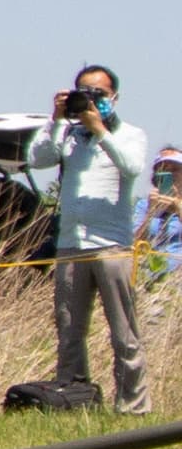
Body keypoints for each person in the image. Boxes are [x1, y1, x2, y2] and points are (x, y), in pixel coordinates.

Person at [29, 64, 150, 413]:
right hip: (71, 244)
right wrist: (55, 119)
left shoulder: (130, 134)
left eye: (98, 93)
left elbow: (131, 167)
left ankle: (132, 406)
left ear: (114, 97)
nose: (91, 100)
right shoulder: (67, 135)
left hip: (112, 244)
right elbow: (38, 159)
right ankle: (72, 399)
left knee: (123, 332)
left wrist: (101, 131)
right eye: (84, 91)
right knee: (69, 329)